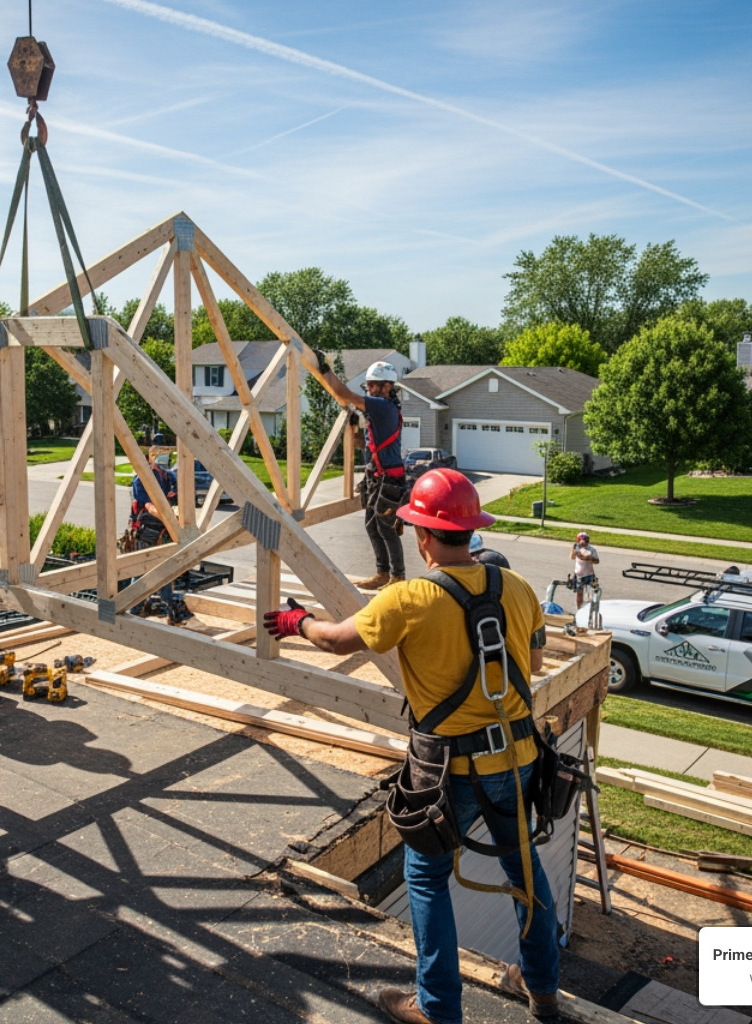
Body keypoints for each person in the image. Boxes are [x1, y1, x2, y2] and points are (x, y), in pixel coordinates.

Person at [263, 468, 559, 1024]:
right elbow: (536, 663)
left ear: (422, 535)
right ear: (471, 530)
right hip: (518, 760)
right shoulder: (517, 589)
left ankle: (438, 1008)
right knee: (526, 873)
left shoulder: (408, 598)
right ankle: (543, 991)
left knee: (426, 878)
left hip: (449, 772)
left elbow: (334, 640)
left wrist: (295, 619)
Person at [316, 359, 408, 589]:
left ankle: (397, 576)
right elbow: (367, 446)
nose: (370, 390)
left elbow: (343, 393)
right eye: (368, 385)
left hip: (390, 478)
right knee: (371, 525)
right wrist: (356, 433)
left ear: (388, 387)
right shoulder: (377, 412)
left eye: (375, 385)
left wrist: (326, 370)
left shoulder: (382, 406)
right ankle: (382, 574)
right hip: (377, 477)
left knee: (386, 526)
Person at [126, 435, 192, 626]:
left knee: (165, 569)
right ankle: (133, 609)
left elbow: (178, 495)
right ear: (152, 457)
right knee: (142, 570)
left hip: (164, 530)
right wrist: (168, 516)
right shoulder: (142, 479)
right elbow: (148, 506)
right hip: (147, 529)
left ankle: (169, 606)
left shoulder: (166, 476)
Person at [570, 530, 599, 609]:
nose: (584, 543)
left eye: (586, 541)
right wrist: (573, 551)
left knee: (593, 593)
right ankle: (579, 609)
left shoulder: (591, 549)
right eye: (582, 541)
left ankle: (591, 610)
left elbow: (597, 561)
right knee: (579, 593)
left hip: (590, 574)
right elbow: (572, 558)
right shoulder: (577, 548)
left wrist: (591, 558)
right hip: (579, 574)